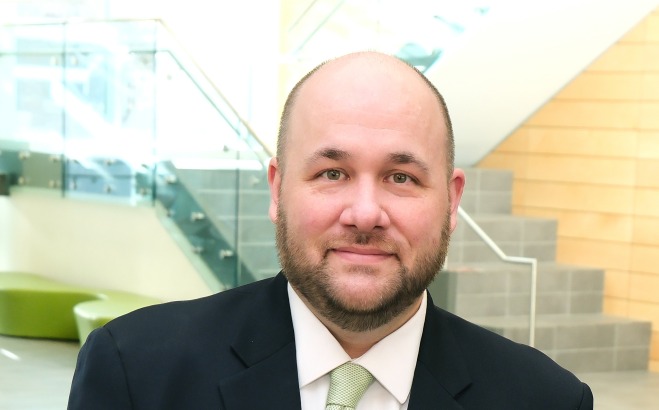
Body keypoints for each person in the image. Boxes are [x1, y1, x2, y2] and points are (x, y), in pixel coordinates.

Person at [67, 51, 593, 409]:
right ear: (277, 190)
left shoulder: (545, 400)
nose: (365, 214)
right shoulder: (135, 373)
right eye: (332, 173)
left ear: (452, 201)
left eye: (401, 177)